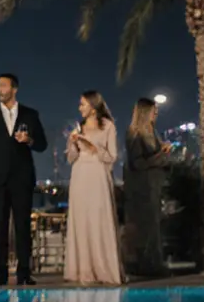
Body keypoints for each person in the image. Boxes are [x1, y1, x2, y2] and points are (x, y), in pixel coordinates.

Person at [0, 73, 47, 286]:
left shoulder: (30, 115)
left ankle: (24, 272)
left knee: (23, 226)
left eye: (4, 86)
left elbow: (42, 144)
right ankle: (2, 272)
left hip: (22, 178)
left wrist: (29, 140)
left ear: (14, 89)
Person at [64, 91, 124, 285]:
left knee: (99, 218)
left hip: (98, 175)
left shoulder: (108, 126)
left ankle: (104, 268)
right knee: (81, 220)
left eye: (83, 104)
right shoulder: (78, 127)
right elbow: (71, 158)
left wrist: (94, 149)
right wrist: (73, 144)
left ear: (93, 105)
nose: (80, 108)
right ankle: (84, 269)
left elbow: (112, 157)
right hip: (80, 175)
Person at [124, 97, 173, 277]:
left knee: (154, 226)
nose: (156, 114)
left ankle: (153, 263)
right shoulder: (135, 133)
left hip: (153, 184)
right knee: (146, 227)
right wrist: (161, 155)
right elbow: (138, 163)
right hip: (142, 187)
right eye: (154, 111)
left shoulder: (152, 132)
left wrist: (163, 153)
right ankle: (146, 265)